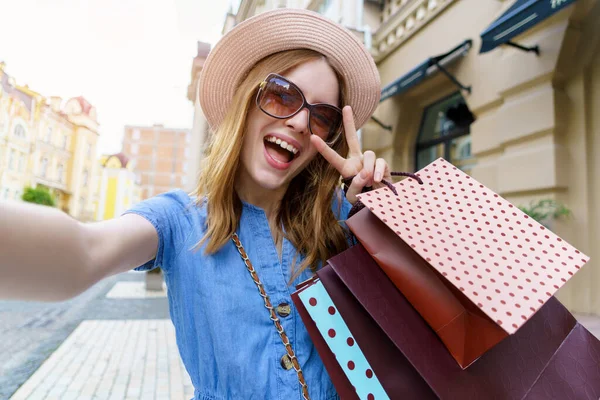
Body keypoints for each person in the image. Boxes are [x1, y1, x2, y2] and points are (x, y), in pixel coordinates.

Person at [0, 8, 393, 399]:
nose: (299, 123)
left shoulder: (345, 221)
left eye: (321, 116)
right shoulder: (179, 220)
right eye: (282, 95)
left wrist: (384, 212)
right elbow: (83, 253)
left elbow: (433, 313)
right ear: (247, 99)